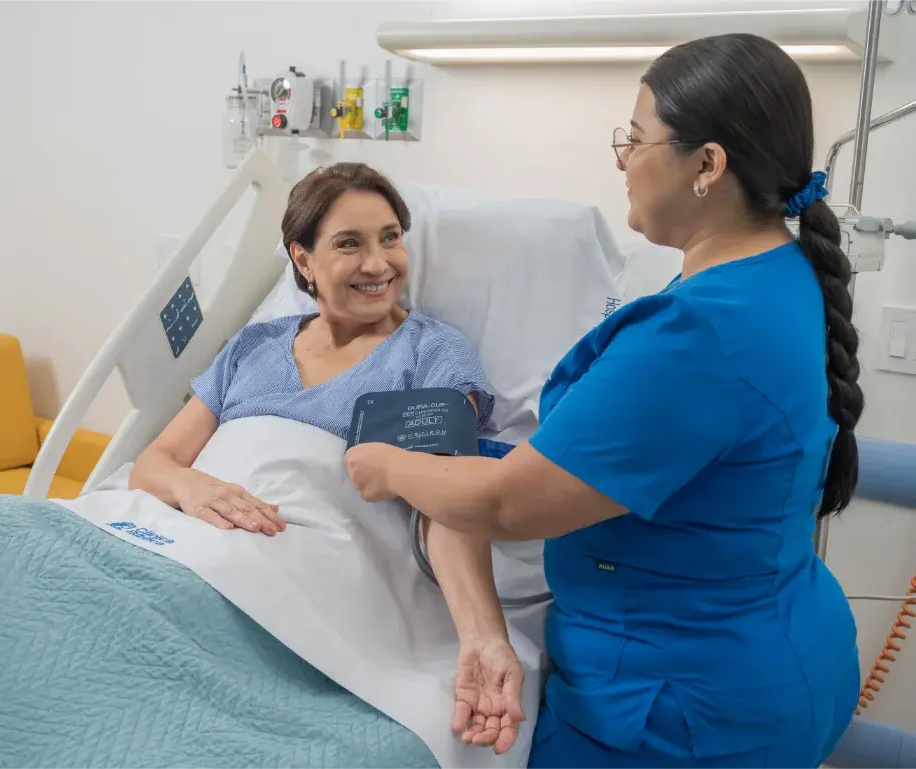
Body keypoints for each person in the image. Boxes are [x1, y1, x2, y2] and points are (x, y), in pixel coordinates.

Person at [345, 33, 863, 769]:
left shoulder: (695, 333)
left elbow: (504, 506)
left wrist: (388, 468)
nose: (621, 158)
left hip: (678, 711)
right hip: (778, 651)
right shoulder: (781, 278)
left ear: (706, 166)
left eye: (635, 137)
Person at [128, 161, 528, 755]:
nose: (378, 264)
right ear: (303, 260)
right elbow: (153, 463)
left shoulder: (431, 354)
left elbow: (447, 500)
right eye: (350, 244)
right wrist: (193, 488)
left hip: (294, 557)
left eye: (391, 238)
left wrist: (484, 636)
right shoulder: (254, 344)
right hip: (182, 536)